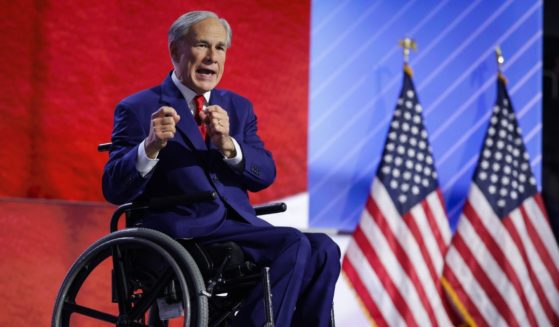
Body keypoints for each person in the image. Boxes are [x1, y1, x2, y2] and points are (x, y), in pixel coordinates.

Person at [102, 10, 340, 326]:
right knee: (293, 244)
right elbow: (114, 188)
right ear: (175, 51)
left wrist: (230, 146)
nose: (212, 57)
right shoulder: (138, 107)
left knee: (324, 248)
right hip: (183, 231)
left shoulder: (238, 107)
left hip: (240, 226)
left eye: (220, 48)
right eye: (202, 45)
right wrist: (150, 146)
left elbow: (265, 174)